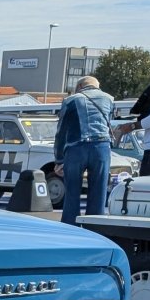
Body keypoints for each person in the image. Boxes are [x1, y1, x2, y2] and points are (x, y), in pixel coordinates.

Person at [54, 75, 114, 225]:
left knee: (72, 190)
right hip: (102, 147)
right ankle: (95, 225)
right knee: (99, 189)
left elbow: (61, 131)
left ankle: (71, 225)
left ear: (80, 86)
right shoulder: (109, 99)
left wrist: (59, 159)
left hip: (76, 148)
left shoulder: (71, 100)